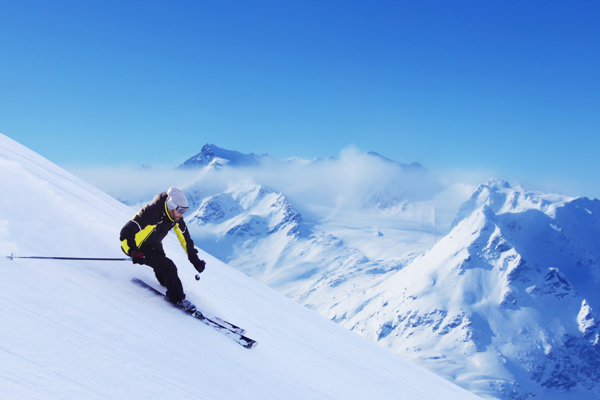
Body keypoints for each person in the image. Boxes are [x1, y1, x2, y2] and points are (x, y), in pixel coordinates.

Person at [120, 186, 206, 313]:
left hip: (153, 243)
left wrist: (195, 260)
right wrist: (133, 251)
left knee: (164, 268)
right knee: (168, 267)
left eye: (185, 211)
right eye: (181, 211)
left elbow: (185, 239)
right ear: (172, 206)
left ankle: (168, 285)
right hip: (136, 246)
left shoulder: (175, 217)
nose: (182, 215)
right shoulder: (150, 213)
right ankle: (177, 299)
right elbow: (126, 232)